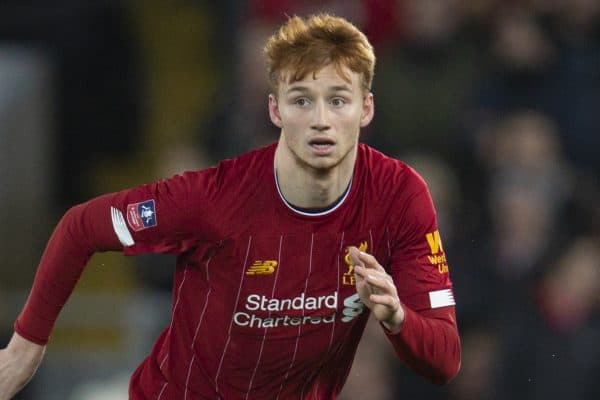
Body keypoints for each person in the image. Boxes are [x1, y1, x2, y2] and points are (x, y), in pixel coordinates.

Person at [0, 13, 461, 399]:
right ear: (276, 110)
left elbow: (444, 360)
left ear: (366, 109)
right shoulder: (214, 197)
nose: (321, 120)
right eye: (302, 100)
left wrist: (398, 317)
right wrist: (26, 347)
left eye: (338, 100)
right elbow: (82, 227)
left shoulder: (400, 196)